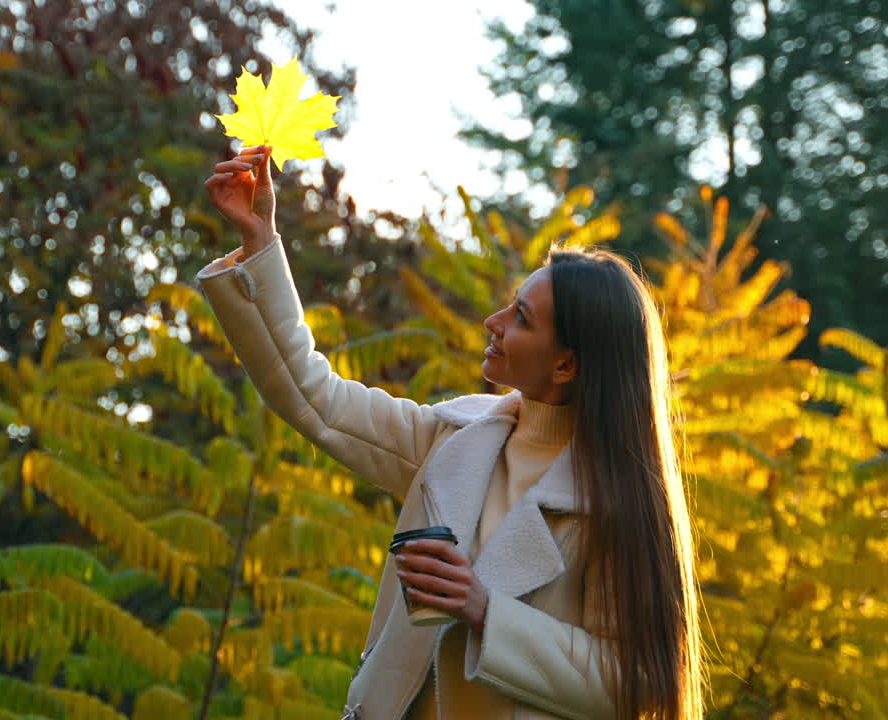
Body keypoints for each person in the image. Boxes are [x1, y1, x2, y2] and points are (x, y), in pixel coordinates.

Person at [197, 145, 703, 720]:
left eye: (522, 318)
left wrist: (487, 610)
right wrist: (261, 241)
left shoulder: (622, 501)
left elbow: (641, 683)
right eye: (512, 304)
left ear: (566, 365)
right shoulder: (455, 437)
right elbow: (316, 398)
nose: (495, 323)